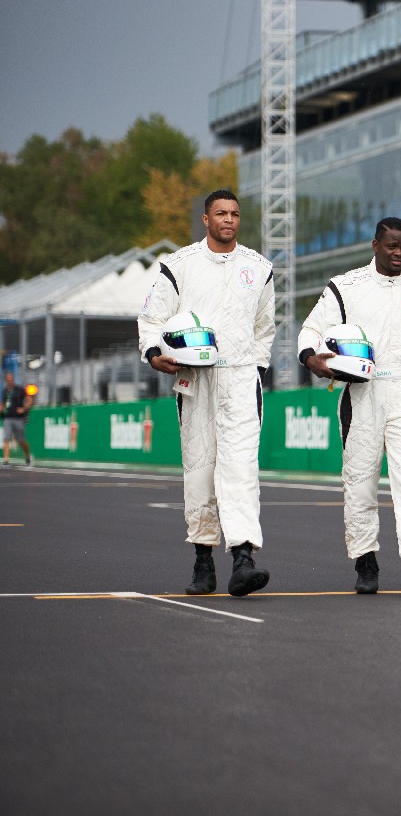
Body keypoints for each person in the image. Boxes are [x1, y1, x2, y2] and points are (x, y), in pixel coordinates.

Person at [297, 217, 401, 596]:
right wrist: (311, 358)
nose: (398, 253)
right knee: (360, 483)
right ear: (375, 244)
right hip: (360, 393)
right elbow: (310, 330)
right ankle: (365, 560)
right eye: (391, 246)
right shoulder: (345, 287)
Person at [138, 188, 275, 597]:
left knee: (240, 469)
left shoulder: (260, 267)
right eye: (220, 213)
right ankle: (202, 560)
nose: (228, 220)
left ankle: (243, 559)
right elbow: (151, 317)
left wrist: (256, 367)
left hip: (240, 380)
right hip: (194, 381)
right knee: (200, 470)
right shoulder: (178, 265)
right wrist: (153, 354)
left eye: (234, 213)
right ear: (205, 219)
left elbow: (265, 327)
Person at [2, 373, 34, 466]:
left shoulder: (20, 389)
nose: (10, 380)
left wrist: (24, 408)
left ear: (13, 379)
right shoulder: (5, 391)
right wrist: (1, 408)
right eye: (8, 379)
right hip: (8, 418)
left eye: (11, 378)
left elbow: (29, 400)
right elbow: (3, 404)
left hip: (18, 418)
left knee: (21, 440)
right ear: (6, 380)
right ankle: (6, 460)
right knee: (6, 438)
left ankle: (27, 455)